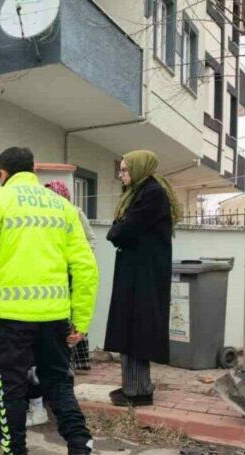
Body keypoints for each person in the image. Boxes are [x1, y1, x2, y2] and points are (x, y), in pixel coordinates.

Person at [0, 147, 99, 455]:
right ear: (33, 171)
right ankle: (80, 454)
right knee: (59, 385)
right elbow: (86, 267)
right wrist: (80, 320)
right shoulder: (62, 206)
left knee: (11, 390)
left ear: (2, 173)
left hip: (9, 317)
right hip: (54, 315)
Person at [104, 150, 180, 407]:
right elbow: (123, 226)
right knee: (131, 329)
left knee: (137, 330)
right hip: (138, 272)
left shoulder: (152, 193)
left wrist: (116, 231)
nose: (121, 175)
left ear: (139, 168)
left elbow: (126, 228)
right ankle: (135, 386)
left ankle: (138, 391)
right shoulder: (141, 192)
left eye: (125, 170)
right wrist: (118, 229)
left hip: (143, 275)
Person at [47, 180, 97, 373]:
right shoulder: (45, 216)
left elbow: (90, 239)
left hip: (73, 270)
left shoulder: (75, 213)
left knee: (75, 312)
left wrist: (79, 256)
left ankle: (78, 361)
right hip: (55, 271)